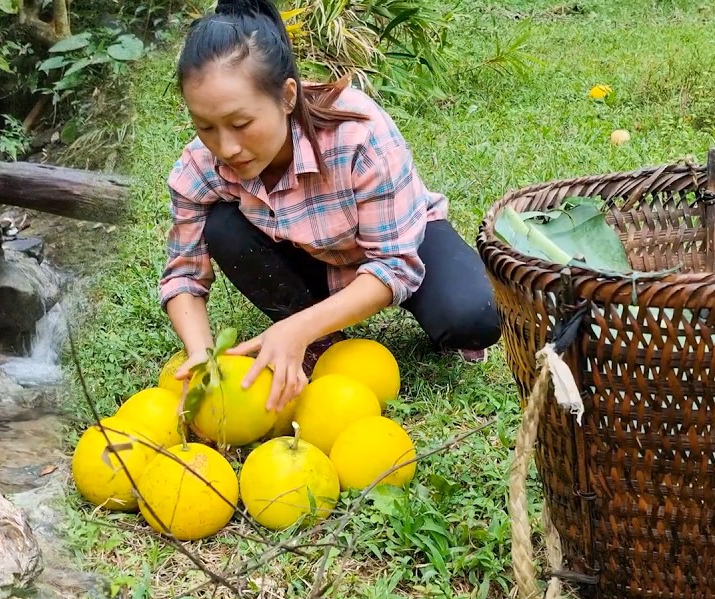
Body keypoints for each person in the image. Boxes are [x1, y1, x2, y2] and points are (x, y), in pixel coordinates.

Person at [160, 0, 501, 413]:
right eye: (205, 126)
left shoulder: (358, 134)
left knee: (473, 315)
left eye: (241, 124)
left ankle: (308, 326)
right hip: (314, 255)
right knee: (222, 227)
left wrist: (294, 327)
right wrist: (201, 353)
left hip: (402, 243)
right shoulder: (201, 165)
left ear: (287, 96)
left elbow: (394, 264)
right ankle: (319, 338)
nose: (226, 146)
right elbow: (183, 275)